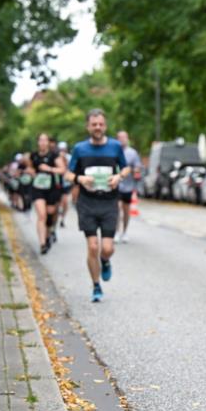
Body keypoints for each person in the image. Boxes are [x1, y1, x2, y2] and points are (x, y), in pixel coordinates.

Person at [65, 109, 130, 303]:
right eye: (94, 124)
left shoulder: (115, 147)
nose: (98, 127)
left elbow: (126, 167)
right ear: (88, 127)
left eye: (101, 124)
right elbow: (68, 174)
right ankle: (96, 286)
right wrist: (79, 178)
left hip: (109, 202)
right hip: (87, 203)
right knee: (93, 246)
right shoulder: (79, 149)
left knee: (107, 248)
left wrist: (119, 176)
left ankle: (105, 261)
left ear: (105, 126)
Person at [29, 133, 66, 254]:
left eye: (45, 140)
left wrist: (49, 169)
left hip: (52, 189)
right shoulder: (33, 156)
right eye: (41, 140)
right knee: (41, 215)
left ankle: (49, 232)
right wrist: (32, 173)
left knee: (50, 214)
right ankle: (42, 244)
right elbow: (30, 168)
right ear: (38, 142)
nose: (43, 143)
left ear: (48, 143)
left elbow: (63, 170)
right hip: (38, 188)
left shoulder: (54, 156)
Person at [115, 130, 143, 243]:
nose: (122, 139)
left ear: (127, 139)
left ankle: (125, 232)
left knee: (126, 210)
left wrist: (132, 170)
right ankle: (116, 232)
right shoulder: (114, 151)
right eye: (120, 137)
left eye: (124, 137)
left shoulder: (132, 153)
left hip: (128, 186)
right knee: (116, 209)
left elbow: (138, 167)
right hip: (116, 185)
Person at [56, 141, 73, 226]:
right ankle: (57, 217)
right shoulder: (55, 158)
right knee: (59, 202)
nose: (62, 151)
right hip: (57, 183)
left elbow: (71, 170)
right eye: (60, 149)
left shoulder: (69, 158)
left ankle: (62, 219)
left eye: (63, 149)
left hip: (66, 183)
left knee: (65, 201)